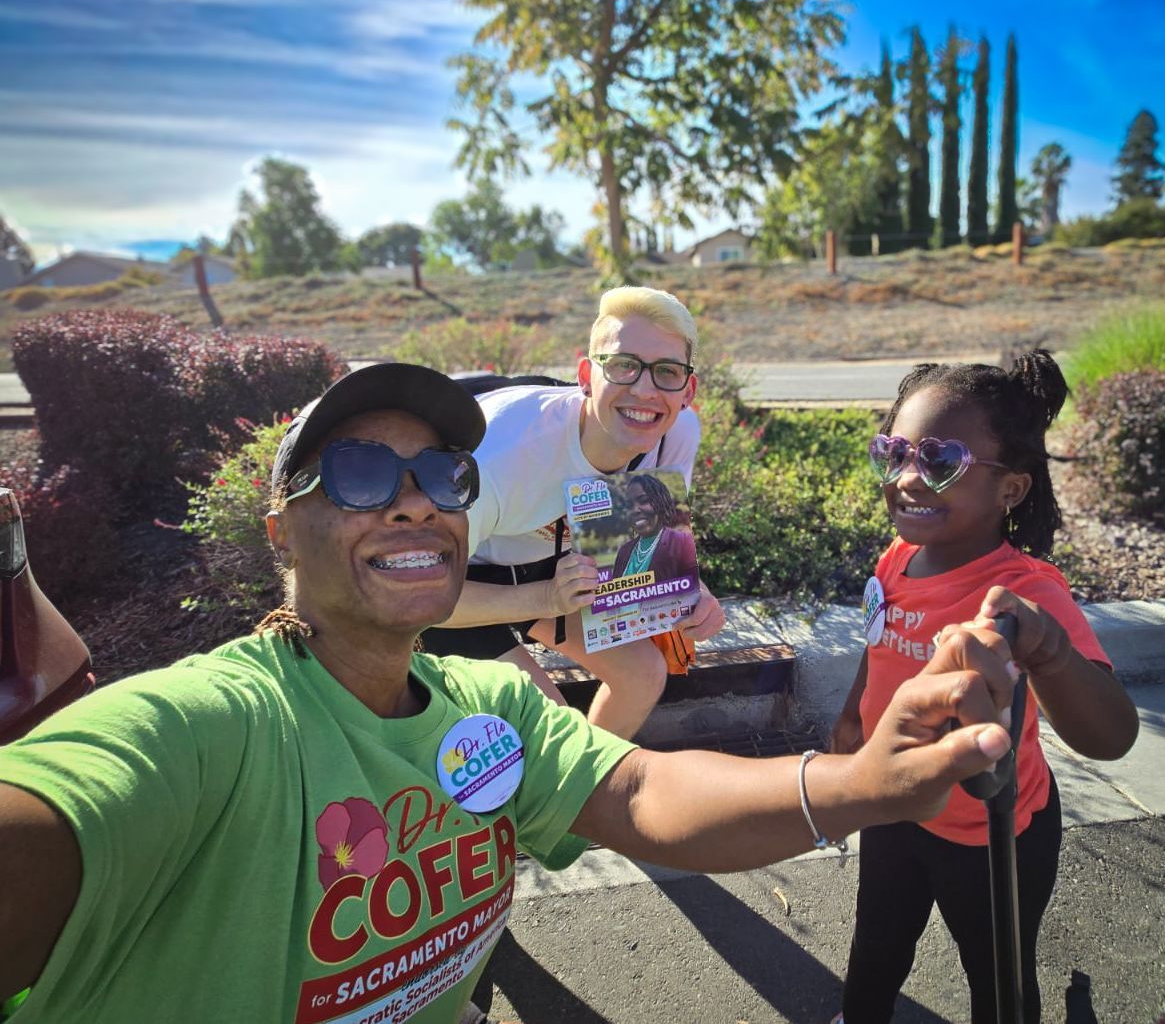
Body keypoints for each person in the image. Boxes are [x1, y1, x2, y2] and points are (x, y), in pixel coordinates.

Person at [0, 362, 1023, 1024]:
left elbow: (639, 791)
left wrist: (862, 783)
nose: (414, 502)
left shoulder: (491, 706)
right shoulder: (209, 726)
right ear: (281, 530)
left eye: (443, 477)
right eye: (358, 475)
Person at [829, 350, 1139, 1024]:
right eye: (894, 453)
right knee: (876, 945)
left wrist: (1047, 648)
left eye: (939, 460)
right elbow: (881, 642)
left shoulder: (1026, 592)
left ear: (1011, 489)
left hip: (990, 828)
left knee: (997, 976)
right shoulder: (898, 556)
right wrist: (854, 714)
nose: (907, 477)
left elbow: (1112, 735)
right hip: (893, 802)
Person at [420, 286, 724, 739]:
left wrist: (691, 594)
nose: (645, 390)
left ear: (687, 391)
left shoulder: (675, 434)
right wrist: (545, 598)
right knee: (551, 727)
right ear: (586, 375)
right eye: (623, 365)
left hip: (548, 567)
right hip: (456, 585)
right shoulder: (502, 456)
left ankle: (588, 783)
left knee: (643, 675)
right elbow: (422, 597)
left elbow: (650, 545)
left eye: (667, 371)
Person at [610, 472, 698, 583]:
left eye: (644, 501)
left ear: (660, 501)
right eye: (629, 505)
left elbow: (694, 588)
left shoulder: (682, 542)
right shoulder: (624, 552)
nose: (635, 510)